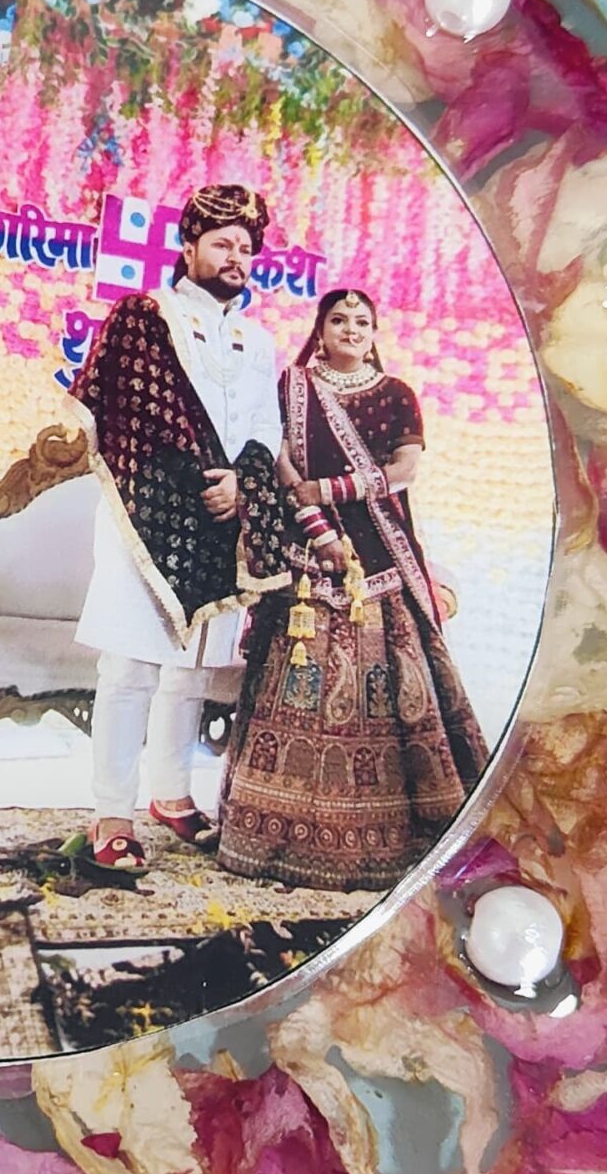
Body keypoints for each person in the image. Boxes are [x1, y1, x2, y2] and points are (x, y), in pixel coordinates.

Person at [216, 288, 491, 891]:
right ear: (320, 329)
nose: (350, 329)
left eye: (362, 321)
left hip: (380, 553)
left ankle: (404, 835)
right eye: (338, 319)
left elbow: (404, 471)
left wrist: (330, 491)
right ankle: (273, 837)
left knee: (392, 687)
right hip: (306, 555)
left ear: (374, 332)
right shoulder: (292, 387)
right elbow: (282, 464)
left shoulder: (397, 394)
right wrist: (316, 524)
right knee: (295, 684)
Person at [68, 183, 286, 873]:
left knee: (191, 670)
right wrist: (196, 483)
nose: (236, 257)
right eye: (222, 243)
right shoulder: (144, 317)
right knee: (130, 666)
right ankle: (112, 812)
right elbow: (127, 417)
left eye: (246, 247)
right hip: (148, 515)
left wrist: (241, 483)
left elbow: (266, 426)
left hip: (223, 518)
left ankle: (171, 793)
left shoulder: (258, 341)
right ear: (188, 246)